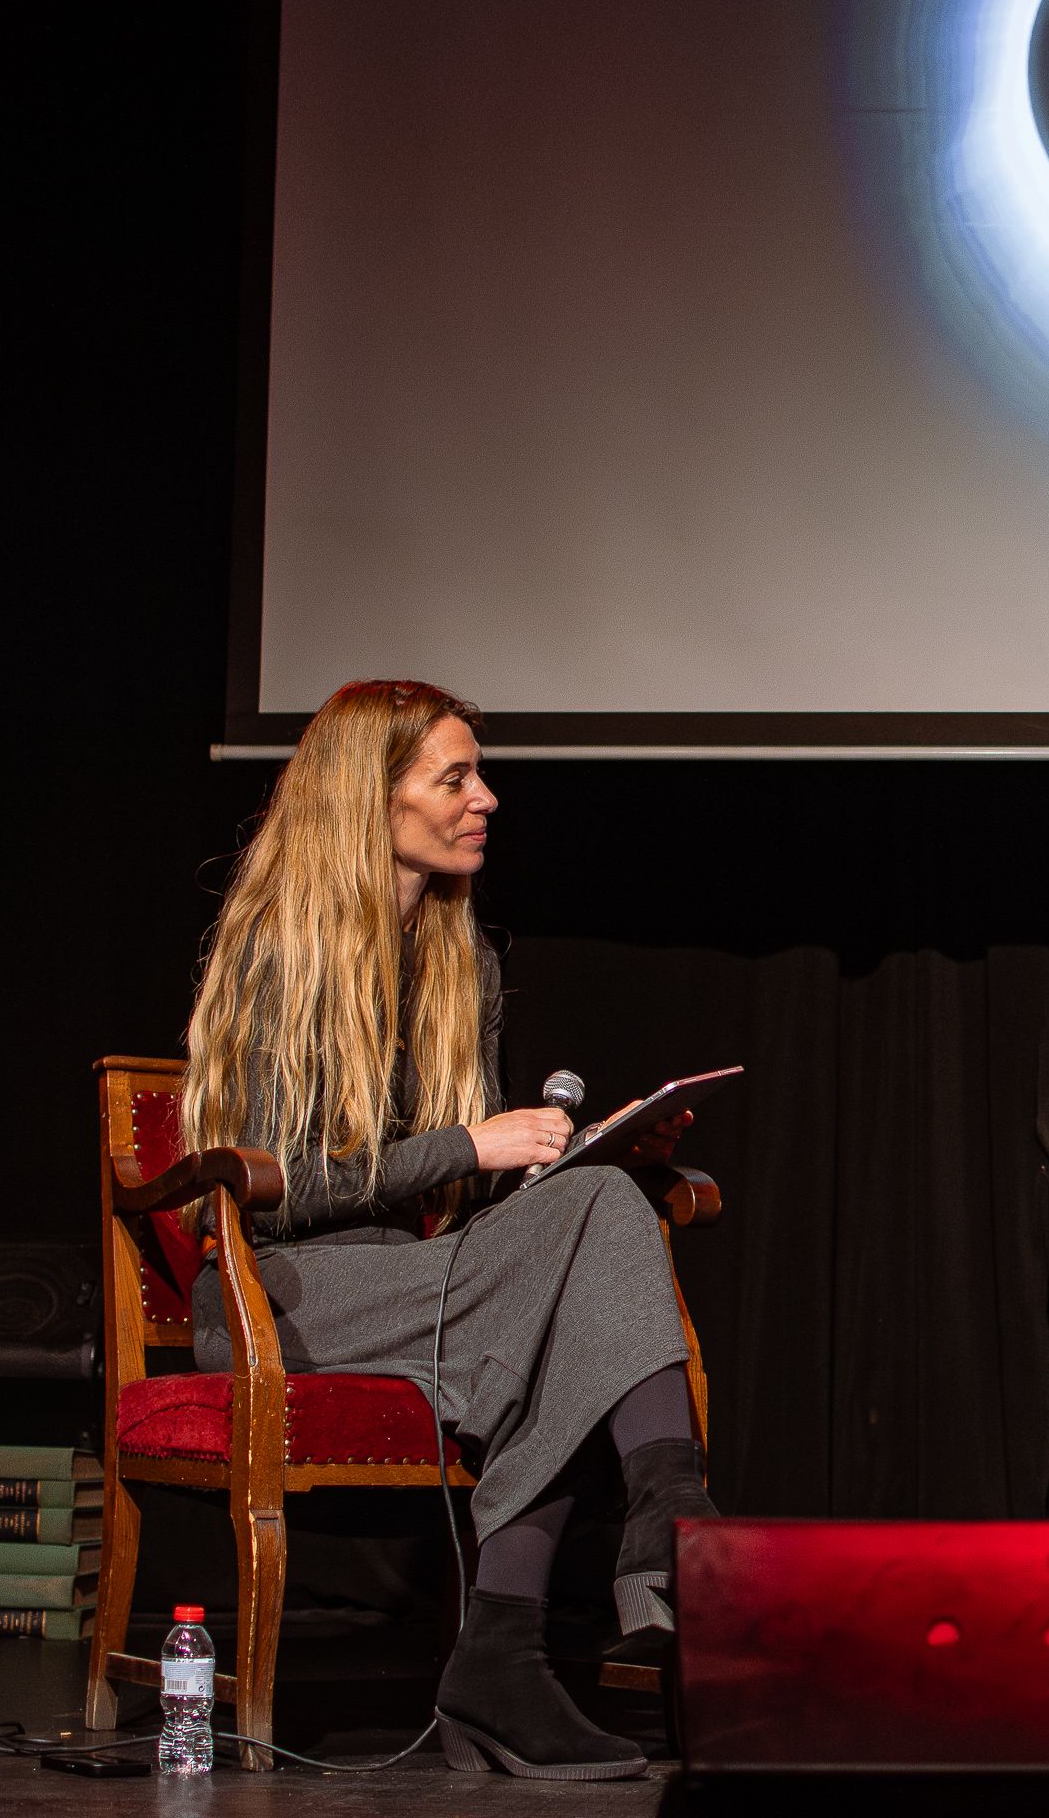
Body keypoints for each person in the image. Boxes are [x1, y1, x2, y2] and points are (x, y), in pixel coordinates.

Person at [184, 679, 712, 1779]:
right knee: (567, 1283)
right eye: (455, 777)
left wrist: (586, 1154)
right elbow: (280, 1189)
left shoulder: (457, 962)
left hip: (420, 1282)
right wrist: (469, 1144)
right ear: (370, 796)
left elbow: (469, 1210)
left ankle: (509, 1651)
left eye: (480, 775)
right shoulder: (282, 951)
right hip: (286, 1295)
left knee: (590, 1224)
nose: (487, 798)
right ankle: (653, 1533)